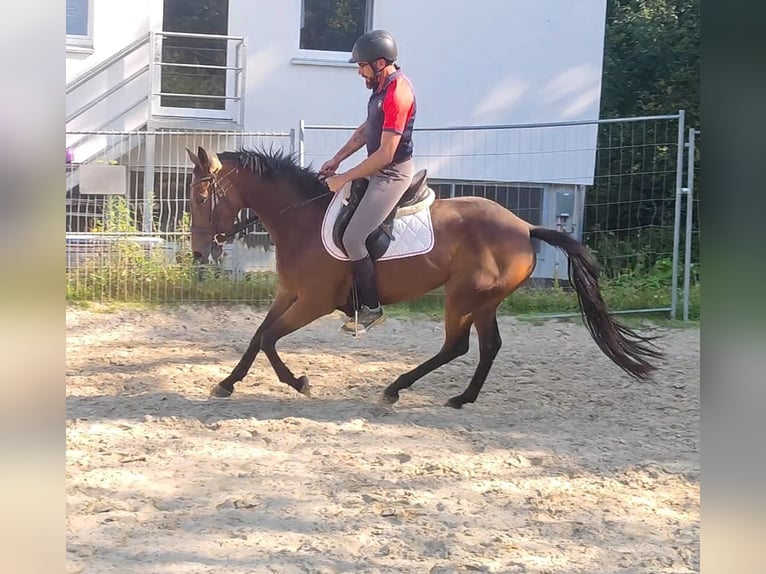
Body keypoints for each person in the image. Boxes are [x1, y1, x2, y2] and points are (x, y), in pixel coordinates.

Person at [320, 29, 417, 334]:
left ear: (379, 63)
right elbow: (365, 132)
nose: (358, 71)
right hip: (376, 169)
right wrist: (336, 160)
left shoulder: (398, 93)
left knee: (352, 237)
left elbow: (386, 154)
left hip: (392, 173)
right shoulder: (380, 89)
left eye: (361, 65)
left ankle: (371, 308)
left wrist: (344, 178)